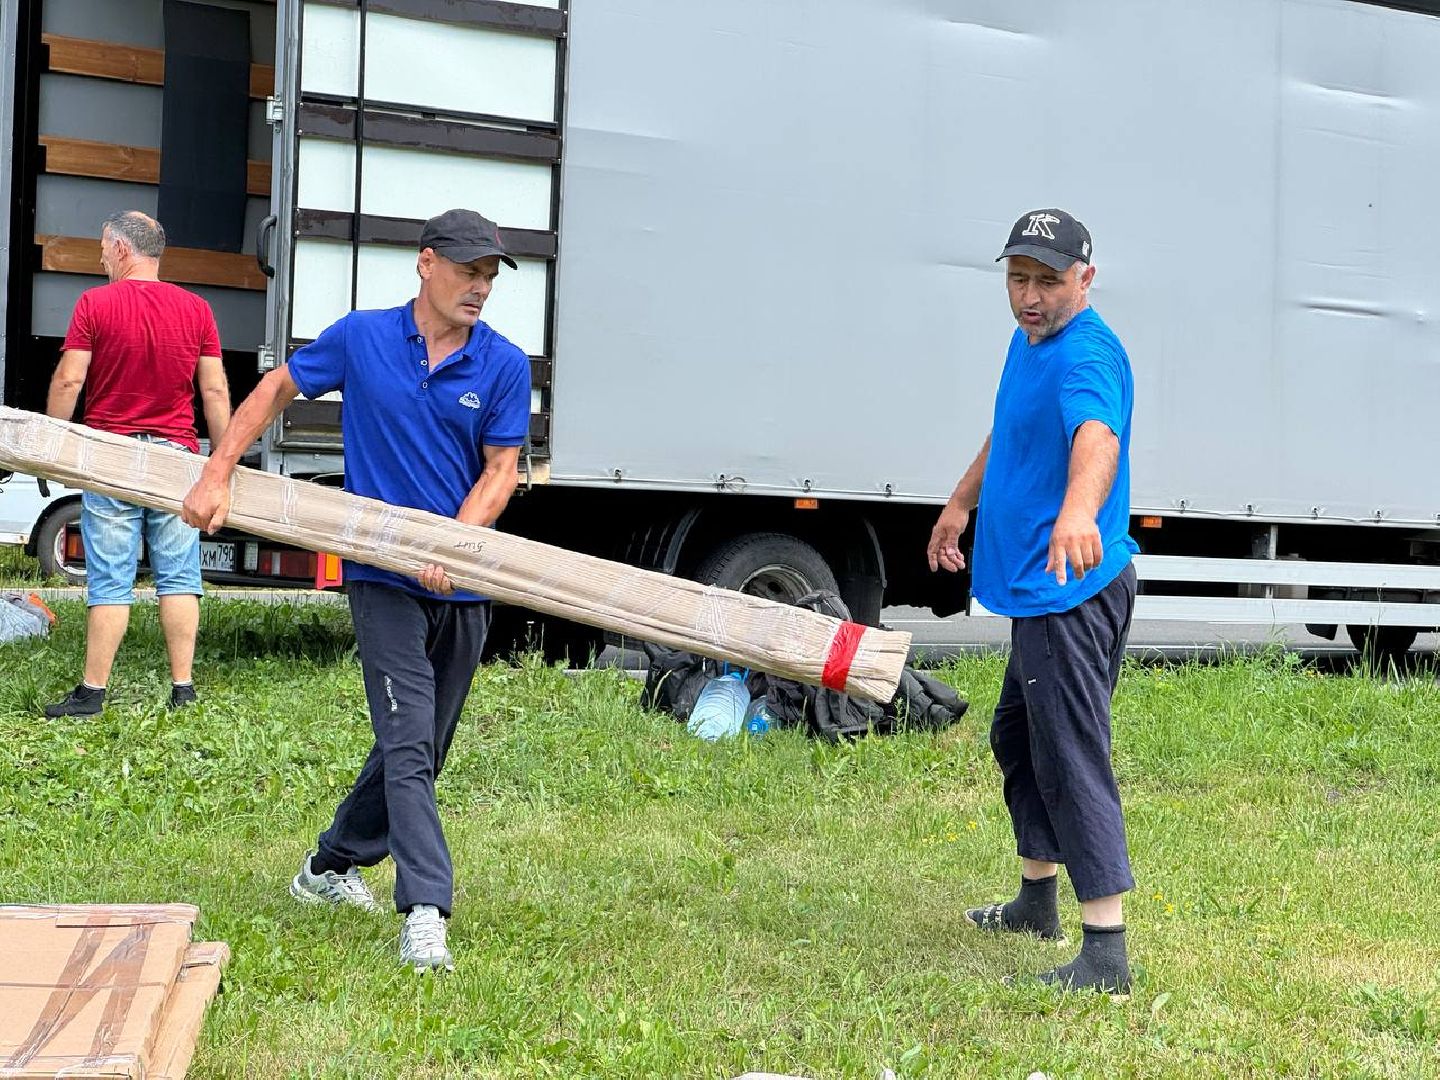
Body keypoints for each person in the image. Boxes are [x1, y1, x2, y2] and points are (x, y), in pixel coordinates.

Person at [181, 208, 532, 973]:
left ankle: (328, 865)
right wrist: (218, 471)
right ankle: (426, 911)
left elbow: (500, 470)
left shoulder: (504, 364)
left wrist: (452, 546)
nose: (479, 287)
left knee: (422, 748)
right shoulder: (363, 338)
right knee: (407, 740)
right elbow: (275, 389)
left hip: (461, 585)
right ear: (426, 263)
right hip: (380, 578)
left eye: (489, 276)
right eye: (467, 271)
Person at [927, 208, 1138, 995]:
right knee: (1017, 739)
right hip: (1037, 593)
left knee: (1069, 755)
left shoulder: (1087, 353)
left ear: (1086, 278)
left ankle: (1106, 955)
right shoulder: (1030, 341)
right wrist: (961, 502)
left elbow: (1097, 437)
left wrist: (1079, 511)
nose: (1029, 296)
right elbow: (1010, 432)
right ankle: (1036, 904)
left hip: (1069, 593)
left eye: (1047, 281)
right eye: (1018, 279)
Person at [44, 210, 231, 717]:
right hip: (176, 458)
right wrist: (222, 466)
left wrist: (53, 445)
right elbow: (214, 390)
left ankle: (93, 693)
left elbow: (69, 380)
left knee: (111, 577)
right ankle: (183, 689)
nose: (101, 258)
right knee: (180, 575)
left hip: (112, 456)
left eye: (104, 247)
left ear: (123, 249)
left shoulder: (95, 303)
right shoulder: (197, 309)